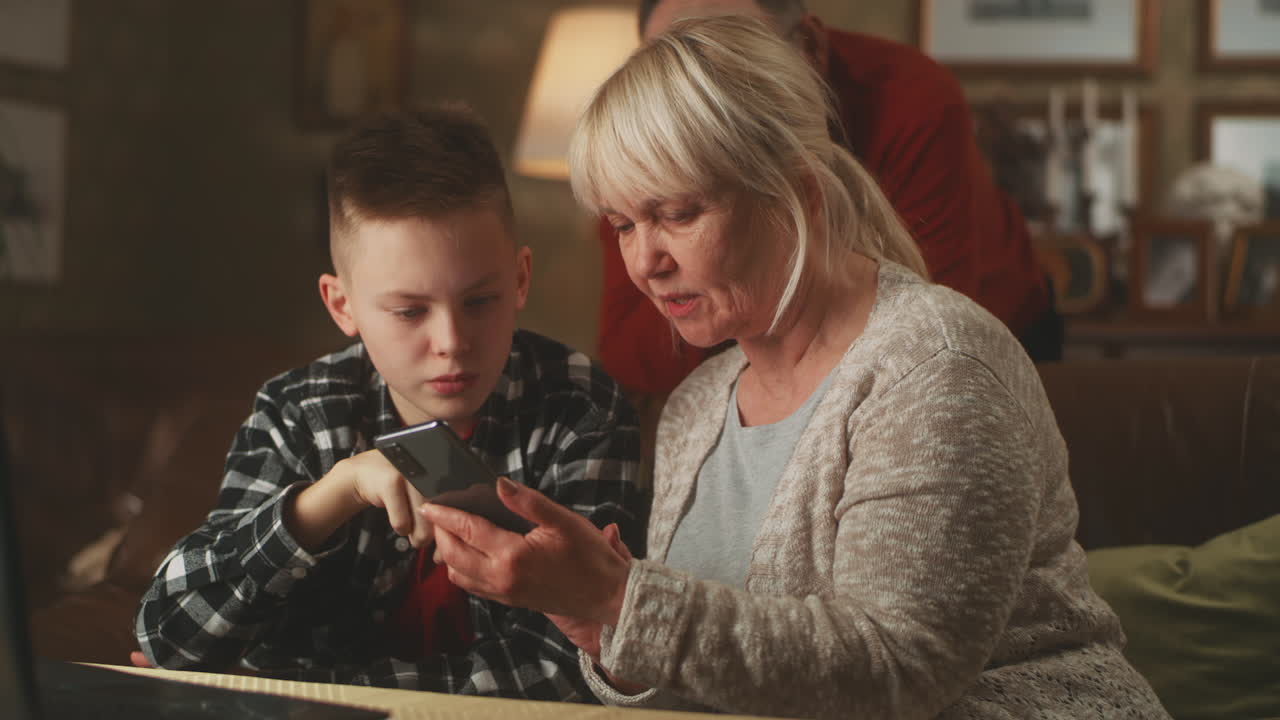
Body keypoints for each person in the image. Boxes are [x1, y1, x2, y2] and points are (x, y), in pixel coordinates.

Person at [419, 16, 1169, 718]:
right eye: (623, 224)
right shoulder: (698, 406)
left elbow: (905, 670)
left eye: (677, 213)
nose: (645, 261)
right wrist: (594, 621)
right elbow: (712, 668)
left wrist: (625, 600)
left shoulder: (936, 364)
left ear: (798, 195)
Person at [132, 106, 648, 700]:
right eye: (409, 312)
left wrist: (289, 689)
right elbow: (168, 637)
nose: (451, 343)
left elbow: (570, 672)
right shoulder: (298, 411)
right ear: (341, 306)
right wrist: (335, 493)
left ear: (521, 278)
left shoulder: (581, 409)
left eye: (479, 301)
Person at [598, 0, 1060, 398]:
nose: (694, 108)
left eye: (732, 69)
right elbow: (630, 360)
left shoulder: (913, 98)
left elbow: (921, 336)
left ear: (812, 48)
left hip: (1006, 320)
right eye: (666, 69)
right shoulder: (647, 159)